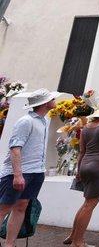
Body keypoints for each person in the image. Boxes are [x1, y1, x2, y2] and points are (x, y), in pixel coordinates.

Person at [0, 88, 57, 247]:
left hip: (36, 172)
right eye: (52, 98)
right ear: (45, 103)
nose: (54, 100)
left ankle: (10, 244)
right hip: (18, 173)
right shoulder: (26, 121)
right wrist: (18, 175)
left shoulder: (45, 120)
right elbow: (15, 148)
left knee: (21, 207)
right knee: (3, 208)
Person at [64, 103, 99, 247]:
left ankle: (73, 236)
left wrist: (78, 170)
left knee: (86, 204)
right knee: (89, 205)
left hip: (85, 165)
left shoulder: (85, 128)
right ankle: (78, 242)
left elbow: (81, 151)